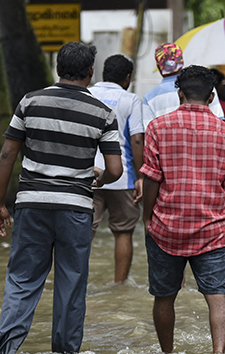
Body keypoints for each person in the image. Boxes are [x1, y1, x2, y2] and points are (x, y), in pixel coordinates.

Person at [0, 42, 123, 354]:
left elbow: (7, 154)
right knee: (71, 281)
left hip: (31, 203)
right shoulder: (103, 113)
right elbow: (115, 170)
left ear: (58, 69)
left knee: (22, 279)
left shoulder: (30, 102)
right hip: (75, 208)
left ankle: (4, 353)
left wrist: (0, 203)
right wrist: (99, 178)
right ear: (90, 72)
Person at [140, 66, 225, 354]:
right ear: (212, 97)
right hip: (211, 227)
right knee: (218, 297)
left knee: (164, 297)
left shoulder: (157, 127)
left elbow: (151, 179)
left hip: (165, 227)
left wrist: (147, 217)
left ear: (180, 93)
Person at [89, 54, 144, 284]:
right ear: (127, 77)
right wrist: (141, 176)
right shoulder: (131, 99)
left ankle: (79, 284)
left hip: (88, 174)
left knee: (83, 234)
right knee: (123, 232)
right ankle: (119, 285)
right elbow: (137, 140)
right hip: (122, 176)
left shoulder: (87, 93)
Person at [142, 43, 224, 129]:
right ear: (182, 62)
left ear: (158, 66)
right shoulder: (204, 85)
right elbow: (219, 121)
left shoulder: (150, 97)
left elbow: (148, 131)